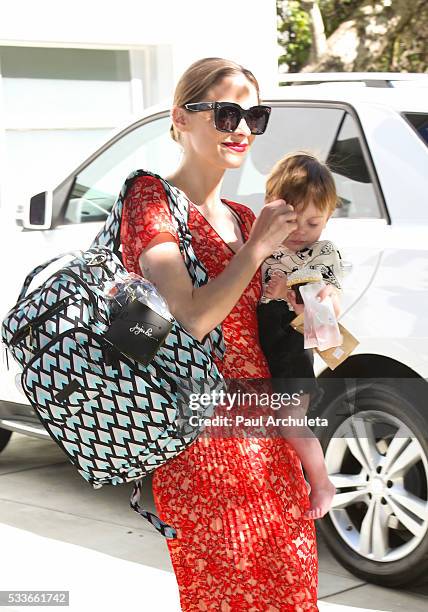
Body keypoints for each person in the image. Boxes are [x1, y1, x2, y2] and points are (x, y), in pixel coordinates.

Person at [120, 58, 323, 610]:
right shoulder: (151, 201)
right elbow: (189, 318)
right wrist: (257, 250)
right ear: (181, 118)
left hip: (271, 439)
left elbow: (264, 332)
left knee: (293, 590)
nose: (242, 129)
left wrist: (305, 303)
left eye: (253, 116)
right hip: (203, 442)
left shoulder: (240, 213)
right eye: (227, 111)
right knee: (228, 596)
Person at [257, 152, 341, 520]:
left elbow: (330, 314)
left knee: (291, 419)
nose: (302, 231)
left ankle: (321, 481)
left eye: (314, 222)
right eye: (293, 219)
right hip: (256, 346)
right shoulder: (260, 241)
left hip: (290, 348)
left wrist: (308, 304)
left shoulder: (322, 254)